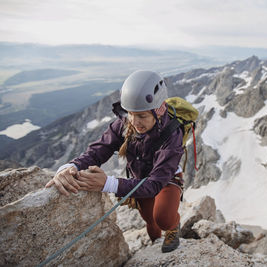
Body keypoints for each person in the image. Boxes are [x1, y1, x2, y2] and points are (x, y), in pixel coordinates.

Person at [45, 70, 184, 253]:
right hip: (139, 178)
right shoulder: (124, 123)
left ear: (159, 111)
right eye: (131, 114)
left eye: (142, 116)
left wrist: (109, 184)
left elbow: (156, 183)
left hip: (165, 180)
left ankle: (173, 226)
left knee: (163, 218)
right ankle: (155, 246)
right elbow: (99, 150)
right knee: (149, 220)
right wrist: (71, 166)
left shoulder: (172, 134)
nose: (134, 122)